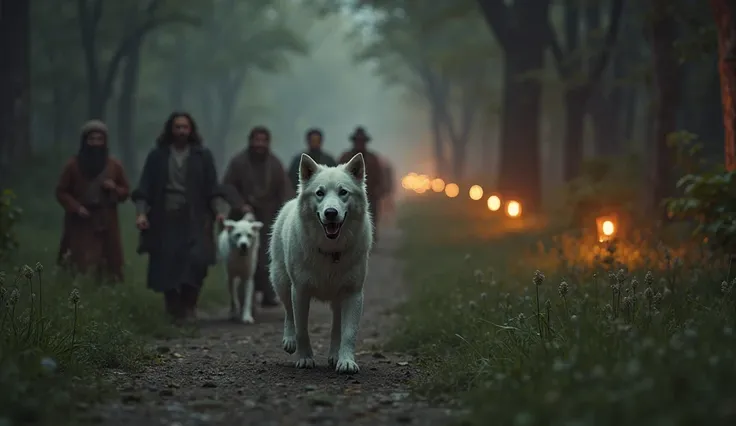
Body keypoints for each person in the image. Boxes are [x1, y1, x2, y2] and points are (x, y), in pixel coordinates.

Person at [131, 112, 229, 323]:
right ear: (170, 129)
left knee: (196, 261)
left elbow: (212, 188)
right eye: (177, 127)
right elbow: (144, 188)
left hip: (196, 217)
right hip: (164, 217)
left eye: (185, 127)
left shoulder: (202, 156)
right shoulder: (157, 156)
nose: (181, 131)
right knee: (166, 263)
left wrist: (219, 211)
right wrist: (141, 213)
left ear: (191, 130)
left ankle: (189, 306)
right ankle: (172, 308)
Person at [222, 126, 294, 308]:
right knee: (242, 258)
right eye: (256, 140)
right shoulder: (238, 162)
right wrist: (240, 205)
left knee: (267, 258)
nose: (259, 144)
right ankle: (246, 299)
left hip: (268, 217)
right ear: (250, 141)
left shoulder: (275, 164)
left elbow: (284, 190)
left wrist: (286, 213)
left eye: (263, 140)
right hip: (243, 217)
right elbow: (228, 186)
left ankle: (268, 294)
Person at [55, 120, 130, 282]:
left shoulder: (114, 165)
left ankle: (107, 288)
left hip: (106, 218)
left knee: (108, 259)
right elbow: (61, 192)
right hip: (81, 220)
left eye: (99, 139)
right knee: (79, 258)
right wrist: (76, 207)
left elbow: (125, 192)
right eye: (92, 139)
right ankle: (78, 288)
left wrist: (114, 188)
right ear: (85, 141)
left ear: (105, 141)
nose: (95, 143)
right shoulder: (73, 165)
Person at [338, 126, 385, 242]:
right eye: (358, 141)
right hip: (349, 196)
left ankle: (369, 239)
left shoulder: (373, 158)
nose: (360, 143)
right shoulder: (345, 157)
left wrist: (380, 190)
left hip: (370, 195)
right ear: (354, 142)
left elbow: (380, 176)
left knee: (371, 217)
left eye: (362, 141)